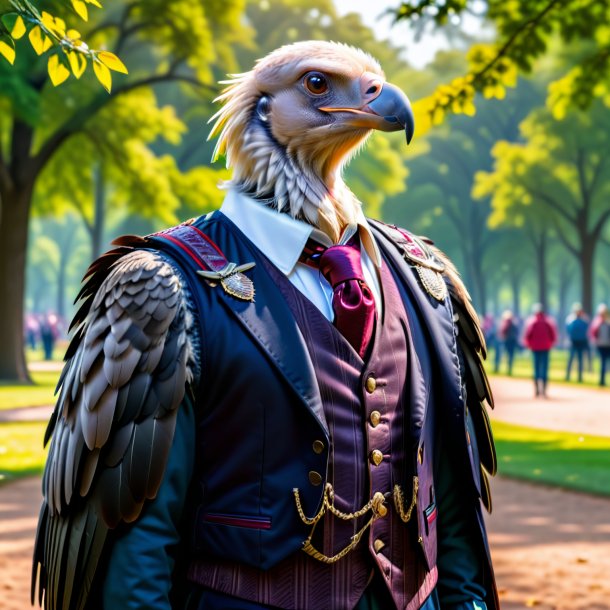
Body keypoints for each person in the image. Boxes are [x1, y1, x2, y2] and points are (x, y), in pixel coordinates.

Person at [33, 42, 498, 610]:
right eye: (319, 86)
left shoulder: (424, 277)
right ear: (262, 111)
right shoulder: (163, 287)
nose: (377, 96)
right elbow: (136, 536)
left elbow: (451, 512)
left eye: (374, 83)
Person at [524, 303, 557, 397]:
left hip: (535, 348)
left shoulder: (532, 321)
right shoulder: (548, 321)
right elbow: (553, 335)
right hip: (546, 348)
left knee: (536, 369)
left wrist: (529, 345)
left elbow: (528, 335)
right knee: (545, 369)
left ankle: (537, 390)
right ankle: (544, 391)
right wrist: (550, 343)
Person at [565, 303, 589, 382]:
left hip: (581, 342)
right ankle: (567, 375)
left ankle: (580, 377)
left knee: (580, 360)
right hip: (573, 342)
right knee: (571, 359)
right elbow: (568, 330)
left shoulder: (584, 320)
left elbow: (586, 331)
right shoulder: (570, 319)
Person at [590, 304, 610, 386]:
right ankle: (602, 381)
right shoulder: (597, 323)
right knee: (603, 363)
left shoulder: (608, 323)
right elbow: (593, 334)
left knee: (606, 364)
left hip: (608, 345)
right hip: (601, 346)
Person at [497, 310, 519, 375]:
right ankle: (509, 369)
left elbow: (502, 332)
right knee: (510, 356)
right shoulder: (514, 324)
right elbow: (516, 333)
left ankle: (506, 368)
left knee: (505, 355)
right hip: (511, 342)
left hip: (507, 342)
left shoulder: (505, 324)